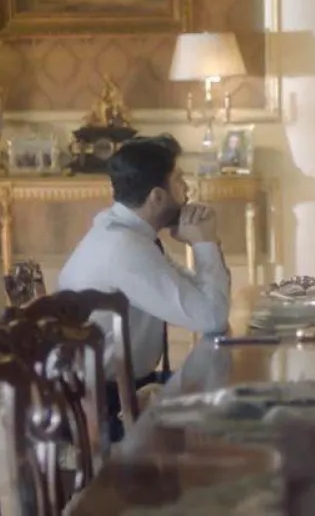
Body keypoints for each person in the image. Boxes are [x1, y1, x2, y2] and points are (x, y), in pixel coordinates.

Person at [59, 134, 231, 440]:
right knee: (228, 415)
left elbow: (202, 298)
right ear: (157, 197)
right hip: (105, 408)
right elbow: (212, 318)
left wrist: (207, 242)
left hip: (125, 389)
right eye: (179, 180)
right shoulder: (125, 248)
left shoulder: (129, 235)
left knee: (229, 393)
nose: (187, 190)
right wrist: (203, 243)